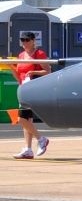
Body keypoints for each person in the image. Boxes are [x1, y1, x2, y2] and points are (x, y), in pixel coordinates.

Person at [12, 31, 50, 159]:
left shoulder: (39, 54)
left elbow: (47, 71)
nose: (24, 42)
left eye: (27, 40)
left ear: (33, 41)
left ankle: (41, 139)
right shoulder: (21, 55)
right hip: (23, 88)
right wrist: (10, 68)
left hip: (33, 88)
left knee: (21, 119)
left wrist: (34, 71)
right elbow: (18, 75)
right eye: (22, 40)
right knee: (27, 120)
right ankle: (28, 149)